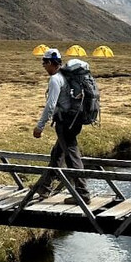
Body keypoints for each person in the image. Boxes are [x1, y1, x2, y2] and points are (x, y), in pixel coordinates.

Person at [32, 48, 91, 204]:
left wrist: (40, 126)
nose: (43, 66)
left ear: (51, 62)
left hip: (64, 123)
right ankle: (44, 189)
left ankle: (83, 195)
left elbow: (50, 106)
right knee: (57, 155)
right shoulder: (65, 76)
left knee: (72, 157)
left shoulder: (55, 79)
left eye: (44, 63)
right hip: (73, 121)